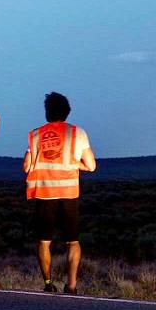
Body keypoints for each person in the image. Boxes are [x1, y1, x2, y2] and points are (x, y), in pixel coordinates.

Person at [22, 92, 96, 294]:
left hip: (44, 193)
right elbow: (91, 166)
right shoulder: (78, 133)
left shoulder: (35, 135)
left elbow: (27, 166)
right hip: (69, 193)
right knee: (72, 241)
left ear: (47, 112)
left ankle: (48, 283)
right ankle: (71, 285)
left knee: (44, 241)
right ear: (67, 112)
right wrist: (74, 163)